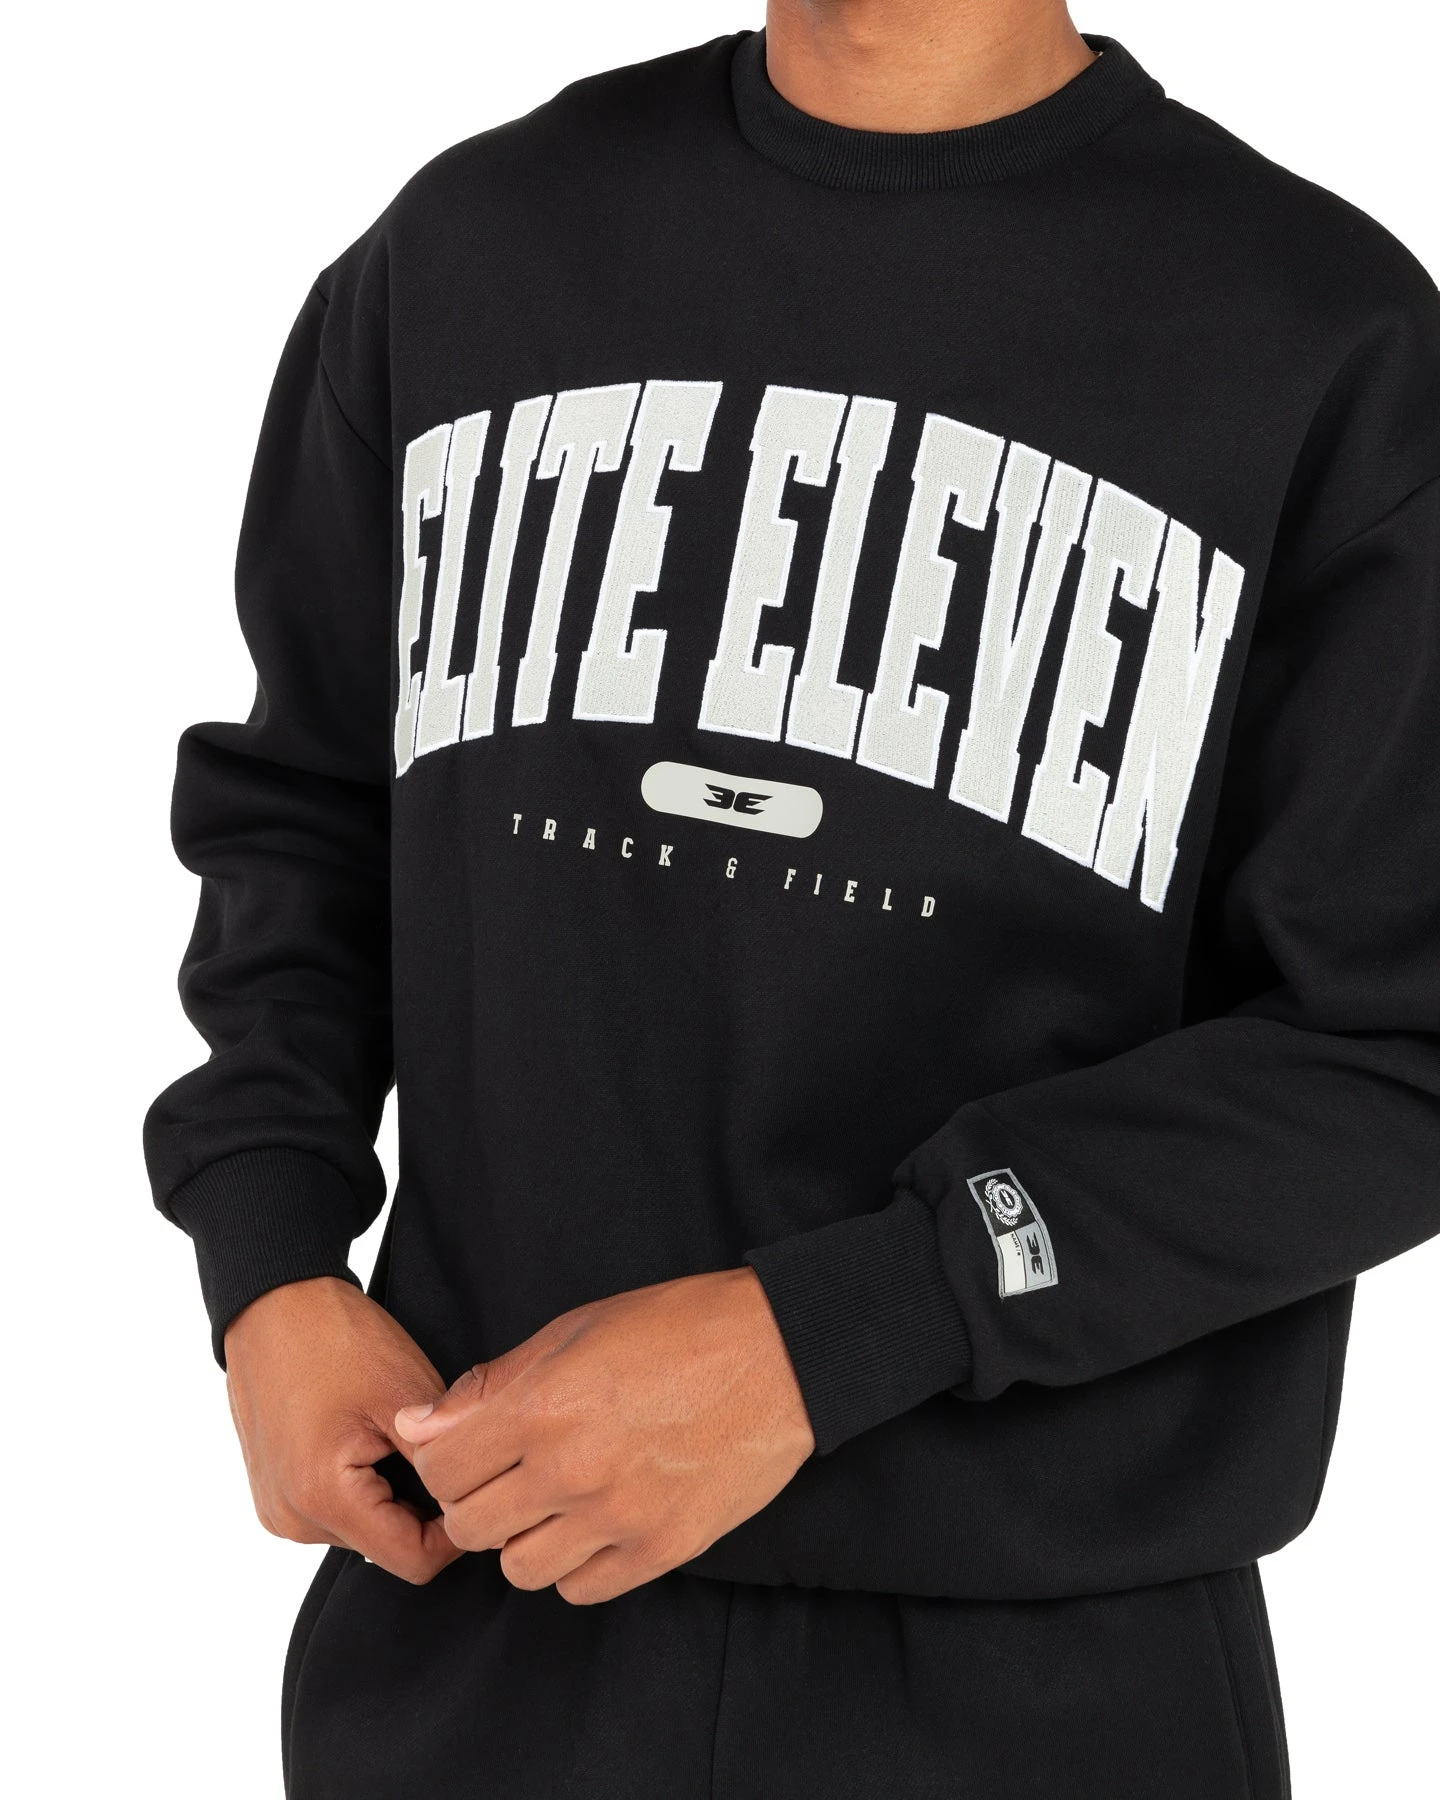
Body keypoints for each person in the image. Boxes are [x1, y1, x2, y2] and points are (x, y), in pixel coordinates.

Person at [145, 1, 1440, 1794]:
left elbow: (1396, 1044)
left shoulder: (1320, 335)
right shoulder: (473, 250)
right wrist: (271, 1262)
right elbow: (305, 806)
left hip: (1043, 1678)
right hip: (473, 1615)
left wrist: (839, 1331)